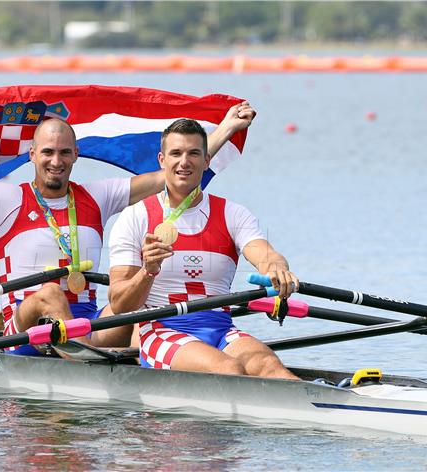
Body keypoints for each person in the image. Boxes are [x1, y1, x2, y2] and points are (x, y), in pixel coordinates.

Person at [0, 102, 257, 354]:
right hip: (22, 327)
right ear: (32, 154)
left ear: (76, 155)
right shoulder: (2, 200)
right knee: (49, 291)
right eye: (47, 152)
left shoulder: (98, 197)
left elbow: (174, 174)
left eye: (65, 152)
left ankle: (152, 358)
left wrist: (223, 129)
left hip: (89, 324)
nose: (56, 161)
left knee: (132, 302)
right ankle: (84, 365)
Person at [107, 118, 299, 379]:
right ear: (162, 160)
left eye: (193, 153)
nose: (184, 162)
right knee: (228, 368)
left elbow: (263, 253)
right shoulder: (135, 217)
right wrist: (147, 271)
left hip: (220, 329)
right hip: (161, 329)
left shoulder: (233, 213)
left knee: (271, 369)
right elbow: (119, 304)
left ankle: (323, 415)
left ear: (207, 160)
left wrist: (276, 268)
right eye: (176, 153)